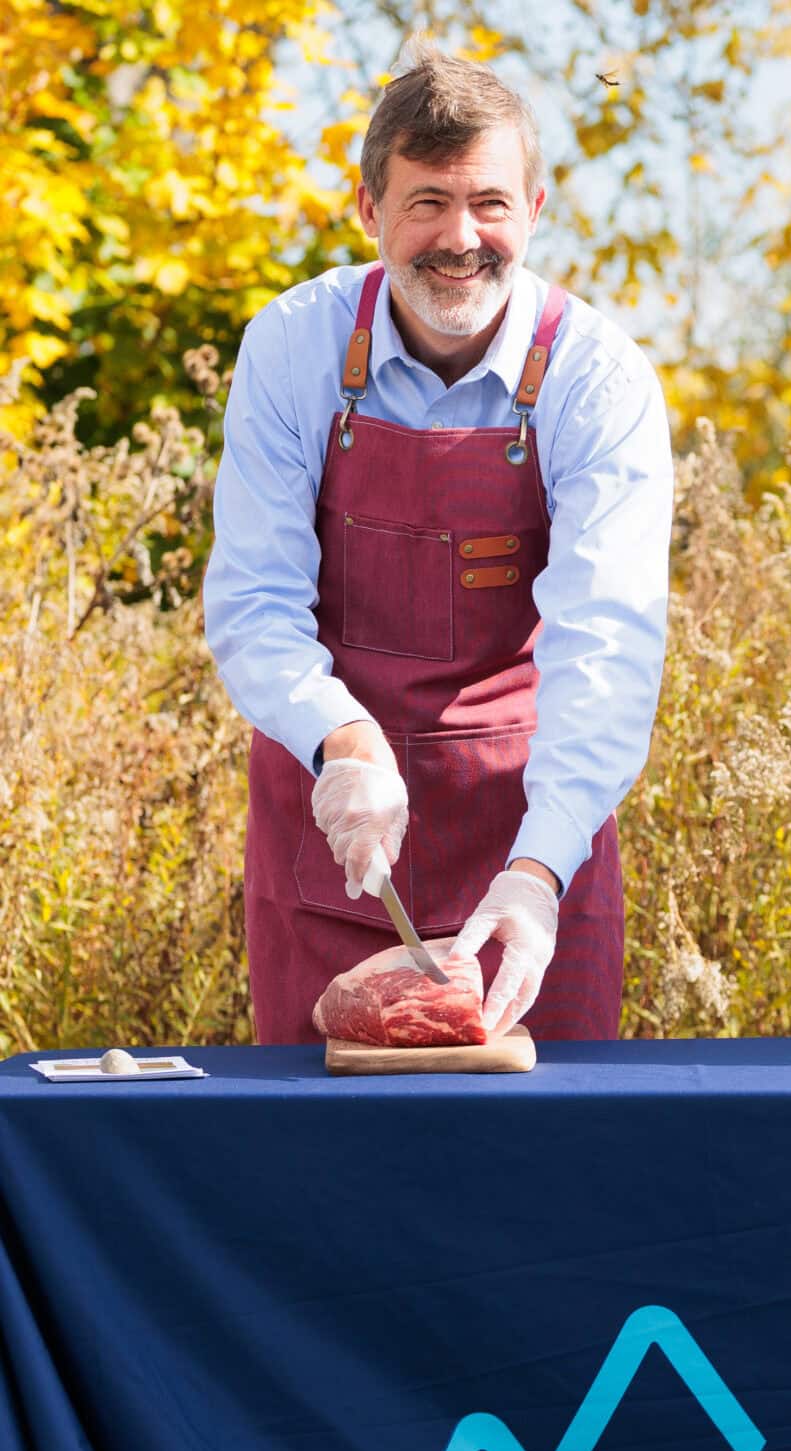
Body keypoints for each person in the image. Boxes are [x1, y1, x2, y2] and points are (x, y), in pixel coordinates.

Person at [205, 40, 671, 1044]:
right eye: (427, 203)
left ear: (535, 210)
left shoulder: (599, 378)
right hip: (336, 833)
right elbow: (254, 602)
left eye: (490, 204)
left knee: (539, 1177)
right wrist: (342, 738)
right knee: (320, 1178)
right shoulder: (293, 345)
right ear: (368, 209)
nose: (461, 238)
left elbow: (608, 645)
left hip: (533, 828)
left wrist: (542, 871)